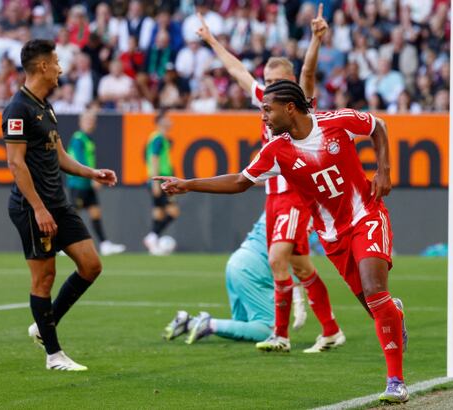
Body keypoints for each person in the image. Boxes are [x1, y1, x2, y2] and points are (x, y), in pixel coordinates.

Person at [155, 80, 409, 404]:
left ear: (289, 108)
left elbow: (378, 126)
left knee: (375, 291)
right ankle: (392, 313)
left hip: (366, 215)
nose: (263, 117)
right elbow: (239, 181)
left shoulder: (337, 121)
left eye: (267, 110)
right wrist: (189, 184)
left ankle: (395, 382)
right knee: (376, 308)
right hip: (332, 235)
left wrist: (384, 170)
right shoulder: (276, 151)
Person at [195, 5, 344, 353]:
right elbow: (236, 69)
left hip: (295, 193)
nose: (270, 87)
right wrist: (211, 40)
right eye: (268, 80)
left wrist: (315, 40)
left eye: (277, 82)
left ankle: (280, 334)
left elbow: (308, 72)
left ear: (290, 84)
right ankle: (331, 330)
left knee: (277, 258)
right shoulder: (265, 100)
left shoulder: (299, 104)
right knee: (300, 266)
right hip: (273, 197)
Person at [3, 39, 118, 371]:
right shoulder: (18, 109)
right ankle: (54, 355)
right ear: (42, 66)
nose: (60, 68)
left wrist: (91, 172)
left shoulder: (45, 106)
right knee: (45, 278)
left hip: (58, 203)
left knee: (91, 265)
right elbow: (15, 164)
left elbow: (60, 155)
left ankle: (43, 326)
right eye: (55, 62)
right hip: (32, 207)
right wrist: (39, 209)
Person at [163, 212, 280, 344]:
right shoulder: (296, 211)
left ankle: (189, 323)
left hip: (238, 260)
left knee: (244, 325)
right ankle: (208, 324)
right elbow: (292, 257)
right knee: (267, 331)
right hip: (254, 268)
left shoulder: (276, 202)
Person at [66, 110, 126, 256]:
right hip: (78, 183)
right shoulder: (78, 138)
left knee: (95, 213)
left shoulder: (88, 139)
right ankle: (65, 245)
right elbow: (80, 160)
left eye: (92, 120)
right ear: (80, 122)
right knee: (73, 216)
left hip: (87, 184)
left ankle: (105, 244)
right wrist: (93, 177)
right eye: (87, 120)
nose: (90, 123)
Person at [143, 110, 180, 255]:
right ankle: (152, 237)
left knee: (158, 212)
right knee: (174, 211)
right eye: (167, 119)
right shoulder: (158, 138)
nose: (170, 121)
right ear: (160, 122)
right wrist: (155, 182)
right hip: (161, 180)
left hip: (158, 180)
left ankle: (153, 241)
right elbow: (154, 159)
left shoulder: (159, 138)